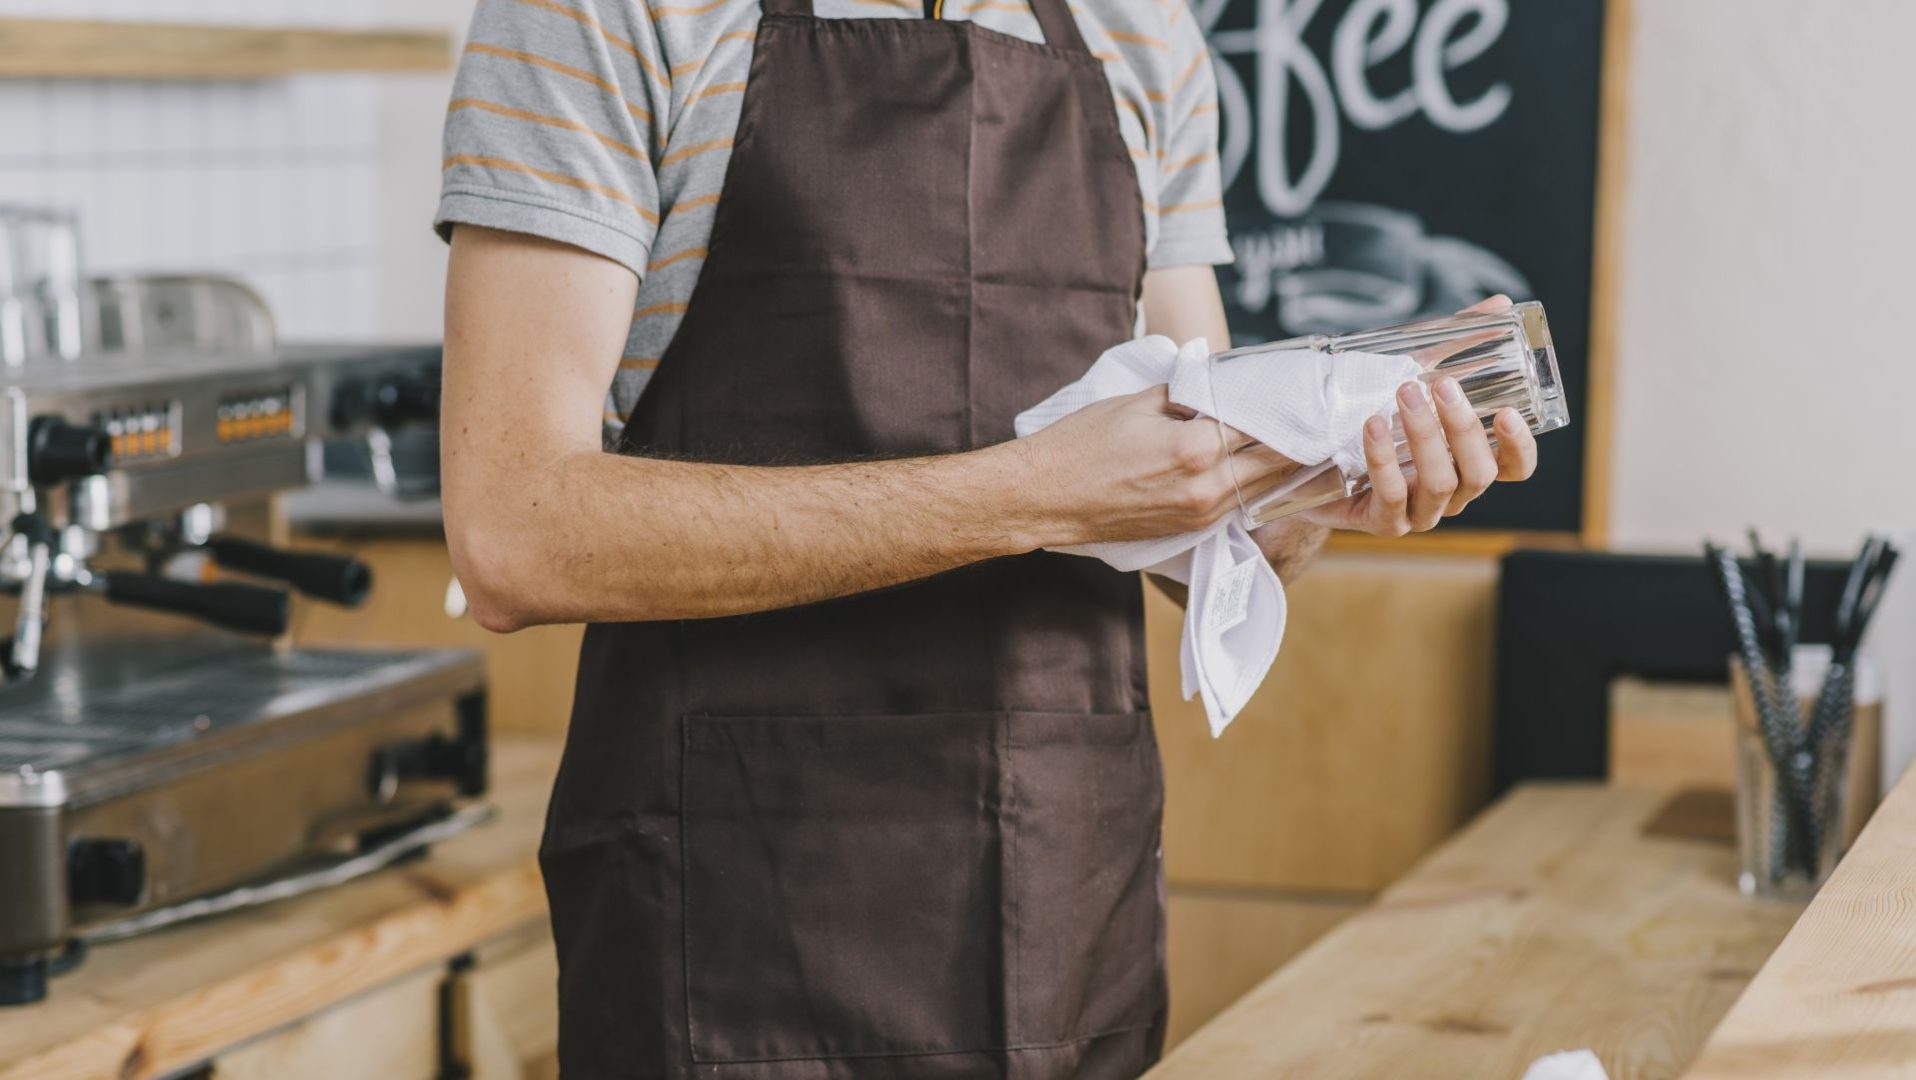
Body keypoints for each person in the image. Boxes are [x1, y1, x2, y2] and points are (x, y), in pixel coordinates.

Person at [434, 0, 1538, 1073]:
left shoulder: (1138, 30)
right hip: (725, 931)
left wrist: (1319, 470)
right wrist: (1029, 494)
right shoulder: (596, 15)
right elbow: (514, 532)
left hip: (1059, 919)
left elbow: (1203, 486)